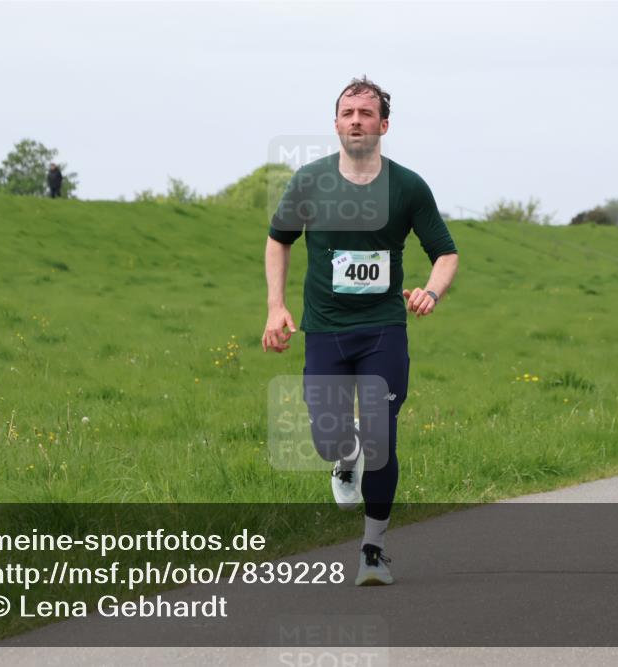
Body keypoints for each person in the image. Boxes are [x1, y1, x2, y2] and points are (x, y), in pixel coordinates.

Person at [262, 76, 459, 586]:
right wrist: (276, 307)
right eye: (348, 112)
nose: (356, 120)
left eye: (366, 113)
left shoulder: (408, 186)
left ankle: (373, 549)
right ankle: (343, 457)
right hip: (324, 329)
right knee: (330, 438)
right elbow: (279, 240)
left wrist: (431, 292)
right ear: (335, 124)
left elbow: (445, 253)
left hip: (382, 330)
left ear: (383, 125)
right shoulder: (309, 180)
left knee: (382, 437)